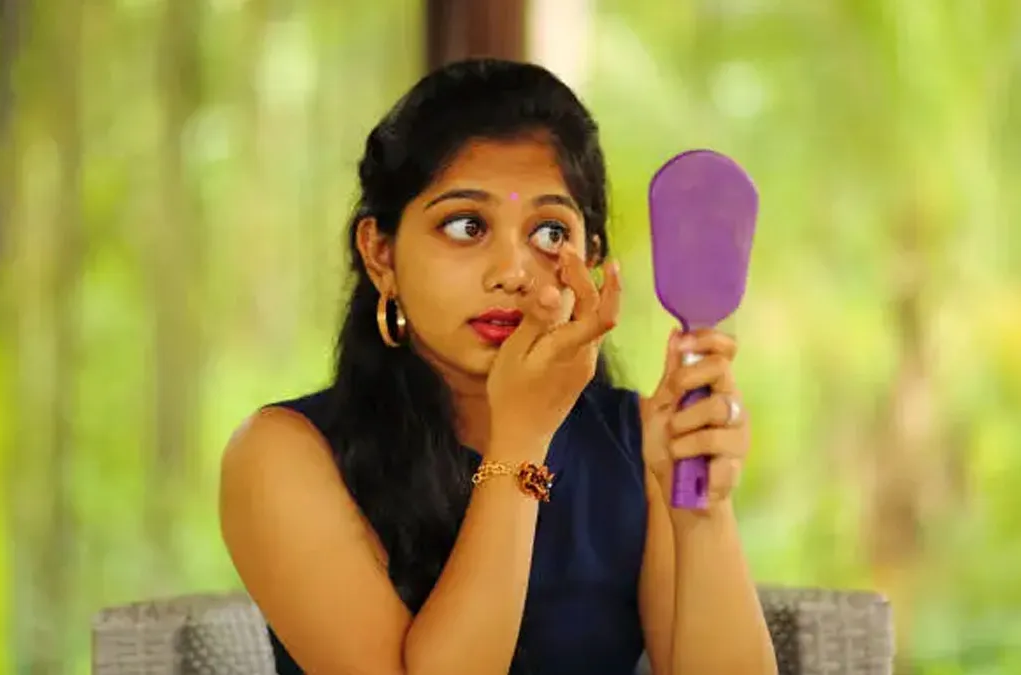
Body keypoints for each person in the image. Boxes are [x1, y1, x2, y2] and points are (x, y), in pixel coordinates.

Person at [219, 58, 777, 675]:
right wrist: (520, 442)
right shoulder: (282, 457)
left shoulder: (642, 444)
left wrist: (701, 514)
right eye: (466, 226)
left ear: (591, 259)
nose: (513, 272)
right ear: (381, 254)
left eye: (549, 233)